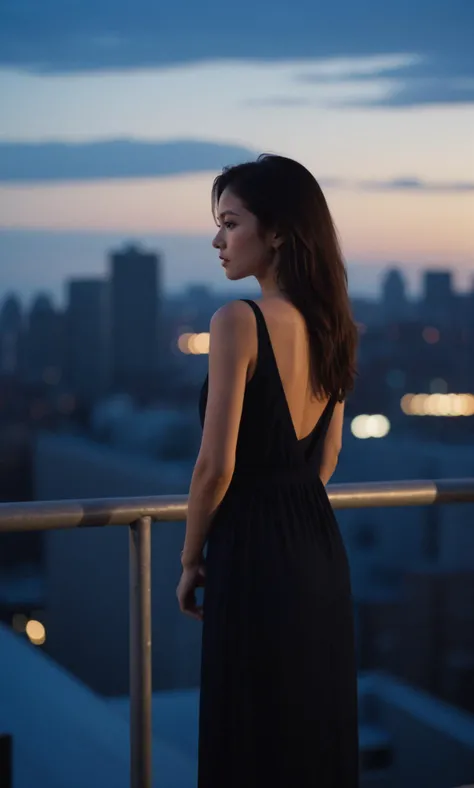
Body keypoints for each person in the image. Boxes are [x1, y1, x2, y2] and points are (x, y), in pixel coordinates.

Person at [176, 153, 359, 787]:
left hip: (250, 549)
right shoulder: (336, 327)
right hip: (317, 547)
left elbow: (212, 467)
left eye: (230, 223)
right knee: (310, 727)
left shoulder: (238, 322)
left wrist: (190, 557)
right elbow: (327, 460)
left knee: (250, 735)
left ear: (276, 231)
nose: (218, 240)